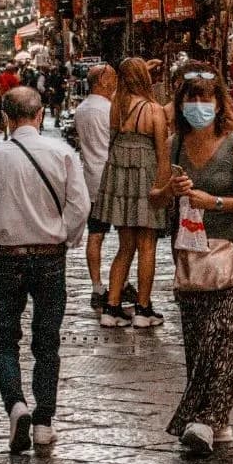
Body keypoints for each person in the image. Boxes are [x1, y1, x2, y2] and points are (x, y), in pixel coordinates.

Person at [152, 63, 233, 456]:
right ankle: (217, 419)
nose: (198, 105)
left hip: (230, 253)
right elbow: (154, 197)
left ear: (219, 103)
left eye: (206, 98)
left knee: (224, 334)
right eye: (191, 98)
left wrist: (215, 201)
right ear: (180, 103)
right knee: (197, 338)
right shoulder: (174, 145)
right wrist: (170, 189)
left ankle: (200, 420)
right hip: (189, 253)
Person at [0, 87, 90, 454]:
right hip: (50, 255)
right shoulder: (63, 153)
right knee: (47, 340)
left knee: (4, 338)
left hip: (8, 256)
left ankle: (15, 405)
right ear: (39, 116)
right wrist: (64, 237)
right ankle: (44, 422)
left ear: (5, 118)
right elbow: (79, 205)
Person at [92, 57, 168, 328]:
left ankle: (111, 307)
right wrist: (162, 188)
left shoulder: (117, 107)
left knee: (125, 246)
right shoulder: (154, 110)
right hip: (146, 178)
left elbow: (112, 140)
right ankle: (143, 309)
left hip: (121, 179)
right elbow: (162, 153)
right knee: (147, 246)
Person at [74, 64, 121, 309]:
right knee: (127, 236)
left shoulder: (81, 109)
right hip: (113, 178)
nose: (115, 82)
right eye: (113, 78)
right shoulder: (110, 109)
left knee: (96, 235)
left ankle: (97, 285)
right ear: (102, 80)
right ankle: (119, 283)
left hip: (91, 178)